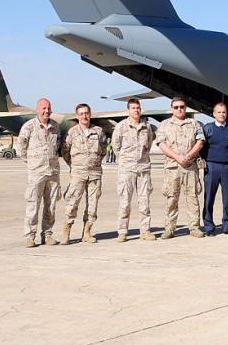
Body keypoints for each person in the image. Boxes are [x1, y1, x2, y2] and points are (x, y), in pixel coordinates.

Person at [155, 97, 206, 239]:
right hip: (172, 168)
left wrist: (188, 156)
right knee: (172, 199)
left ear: (185, 108)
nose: (179, 109)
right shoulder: (165, 125)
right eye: (176, 107)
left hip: (190, 167)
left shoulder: (194, 123)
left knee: (192, 197)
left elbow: (200, 142)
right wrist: (177, 157)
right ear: (172, 109)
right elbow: (161, 144)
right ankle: (169, 228)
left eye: (182, 107)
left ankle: (195, 227)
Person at [15, 98, 61, 247]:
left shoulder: (55, 127)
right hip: (37, 173)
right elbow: (21, 148)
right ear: (37, 109)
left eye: (48, 108)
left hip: (53, 172)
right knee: (33, 204)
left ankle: (47, 234)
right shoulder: (29, 127)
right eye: (43, 108)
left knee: (51, 206)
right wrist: (32, 163)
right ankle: (30, 236)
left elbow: (57, 146)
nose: (46, 111)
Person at [60, 103, 107, 243]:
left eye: (86, 113)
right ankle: (66, 232)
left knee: (93, 204)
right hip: (78, 173)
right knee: (72, 203)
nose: (84, 116)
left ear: (90, 114)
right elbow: (65, 151)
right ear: (77, 116)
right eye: (81, 114)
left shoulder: (98, 131)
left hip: (95, 173)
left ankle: (87, 232)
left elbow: (103, 151)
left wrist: (94, 162)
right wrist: (75, 165)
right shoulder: (72, 132)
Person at [111, 98, 156, 242]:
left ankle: (145, 230)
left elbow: (148, 144)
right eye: (133, 108)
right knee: (125, 201)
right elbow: (116, 146)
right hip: (127, 169)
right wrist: (126, 160)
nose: (136, 110)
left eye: (138, 108)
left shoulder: (146, 127)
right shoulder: (121, 127)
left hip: (143, 168)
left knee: (144, 201)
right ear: (128, 110)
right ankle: (122, 231)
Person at [202, 103, 228, 236]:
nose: (221, 115)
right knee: (209, 198)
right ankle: (208, 226)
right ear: (214, 114)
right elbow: (203, 149)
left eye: (223, 112)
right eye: (219, 112)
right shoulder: (208, 129)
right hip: (211, 166)